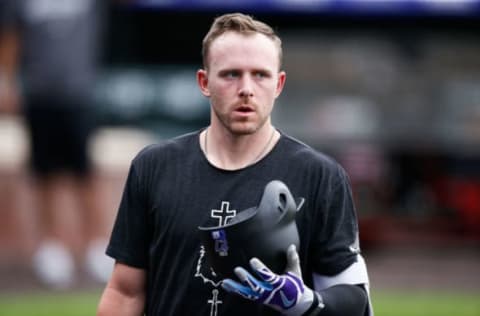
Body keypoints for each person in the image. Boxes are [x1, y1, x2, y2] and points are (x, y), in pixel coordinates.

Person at [97, 12, 373, 316]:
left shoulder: (321, 177)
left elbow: (355, 300)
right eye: (231, 74)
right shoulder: (153, 167)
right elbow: (125, 291)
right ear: (204, 82)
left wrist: (306, 303)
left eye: (260, 75)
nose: (246, 88)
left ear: (279, 84)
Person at [0, 0, 112, 288]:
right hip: (38, 94)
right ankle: (53, 248)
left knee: (85, 174)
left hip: (79, 94)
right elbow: (11, 37)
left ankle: (97, 246)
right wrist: (6, 82)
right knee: (44, 175)